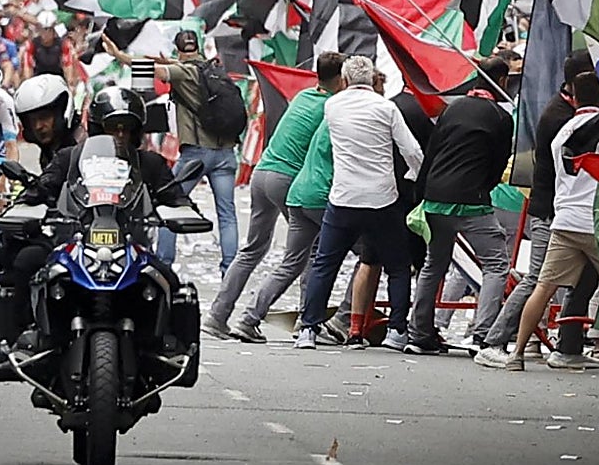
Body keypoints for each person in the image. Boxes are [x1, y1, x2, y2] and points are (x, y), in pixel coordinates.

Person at [0, 86, 198, 378]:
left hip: (132, 249)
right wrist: (26, 206)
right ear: (98, 129)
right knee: (25, 264)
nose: (121, 136)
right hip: (72, 245)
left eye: (128, 129)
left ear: (138, 132)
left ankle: (174, 353)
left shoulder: (150, 163)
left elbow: (175, 196)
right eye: (114, 128)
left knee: (175, 286)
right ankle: (22, 342)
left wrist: (183, 210)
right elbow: (40, 190)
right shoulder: (69, 159)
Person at [202, 52, 345, 342]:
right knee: (306, 253)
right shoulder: (332, 107)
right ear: (342, 79)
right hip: (287, 179)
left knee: (252, 249)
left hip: (262, 173)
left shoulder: (304, 96)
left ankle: (217, 316)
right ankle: (303, 322)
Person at [474, 50, 597, 369]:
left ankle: (566, 345)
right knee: (539, 279)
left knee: (580, 279)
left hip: (561, 210)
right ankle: (494, 339)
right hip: (551, 210)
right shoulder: (561, 118)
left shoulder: (565, 114)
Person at [294, 56, 423, 350]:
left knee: (326, 263)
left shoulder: (332, 106)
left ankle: (308, 329)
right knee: (398, 266)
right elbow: (412, 150)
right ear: (372, 80)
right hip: (382, 198)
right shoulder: (386, 107)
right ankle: (396, 331)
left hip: (344, 198)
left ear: (344, 81)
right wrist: (413, 175)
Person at [105, 29, 242, 273]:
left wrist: (118, 55)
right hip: (226, 153)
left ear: (178, 49)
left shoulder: (182, 72)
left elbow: (151, 71)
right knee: (227, 214)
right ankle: (230, 270)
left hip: (197, 155)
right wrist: (166, 61)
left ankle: (163, 264)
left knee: (170, 206)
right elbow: (180, 67)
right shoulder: (213, 68)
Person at [406, 56, 515, 355]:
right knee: (496, 264)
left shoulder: (451, 110)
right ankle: (482, 335)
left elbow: (431, 153)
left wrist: (423, 194)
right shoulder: (501, 117)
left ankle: (418, 334)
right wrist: (483, 188)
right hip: (471, 201)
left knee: (433, 265)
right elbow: (498, 163)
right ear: (502, 81)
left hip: (435, 198)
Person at [507, 72, 599, 371]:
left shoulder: (562, 132)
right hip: (595, 221)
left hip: (563, 221)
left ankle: (518, 352)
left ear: (573, 98)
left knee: (543, 287)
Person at [12, 73, 80, 169]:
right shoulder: (49, 149)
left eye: (44, 117)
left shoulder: (81, 140)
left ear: (61, 111)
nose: (38, 126)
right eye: (32, 120)